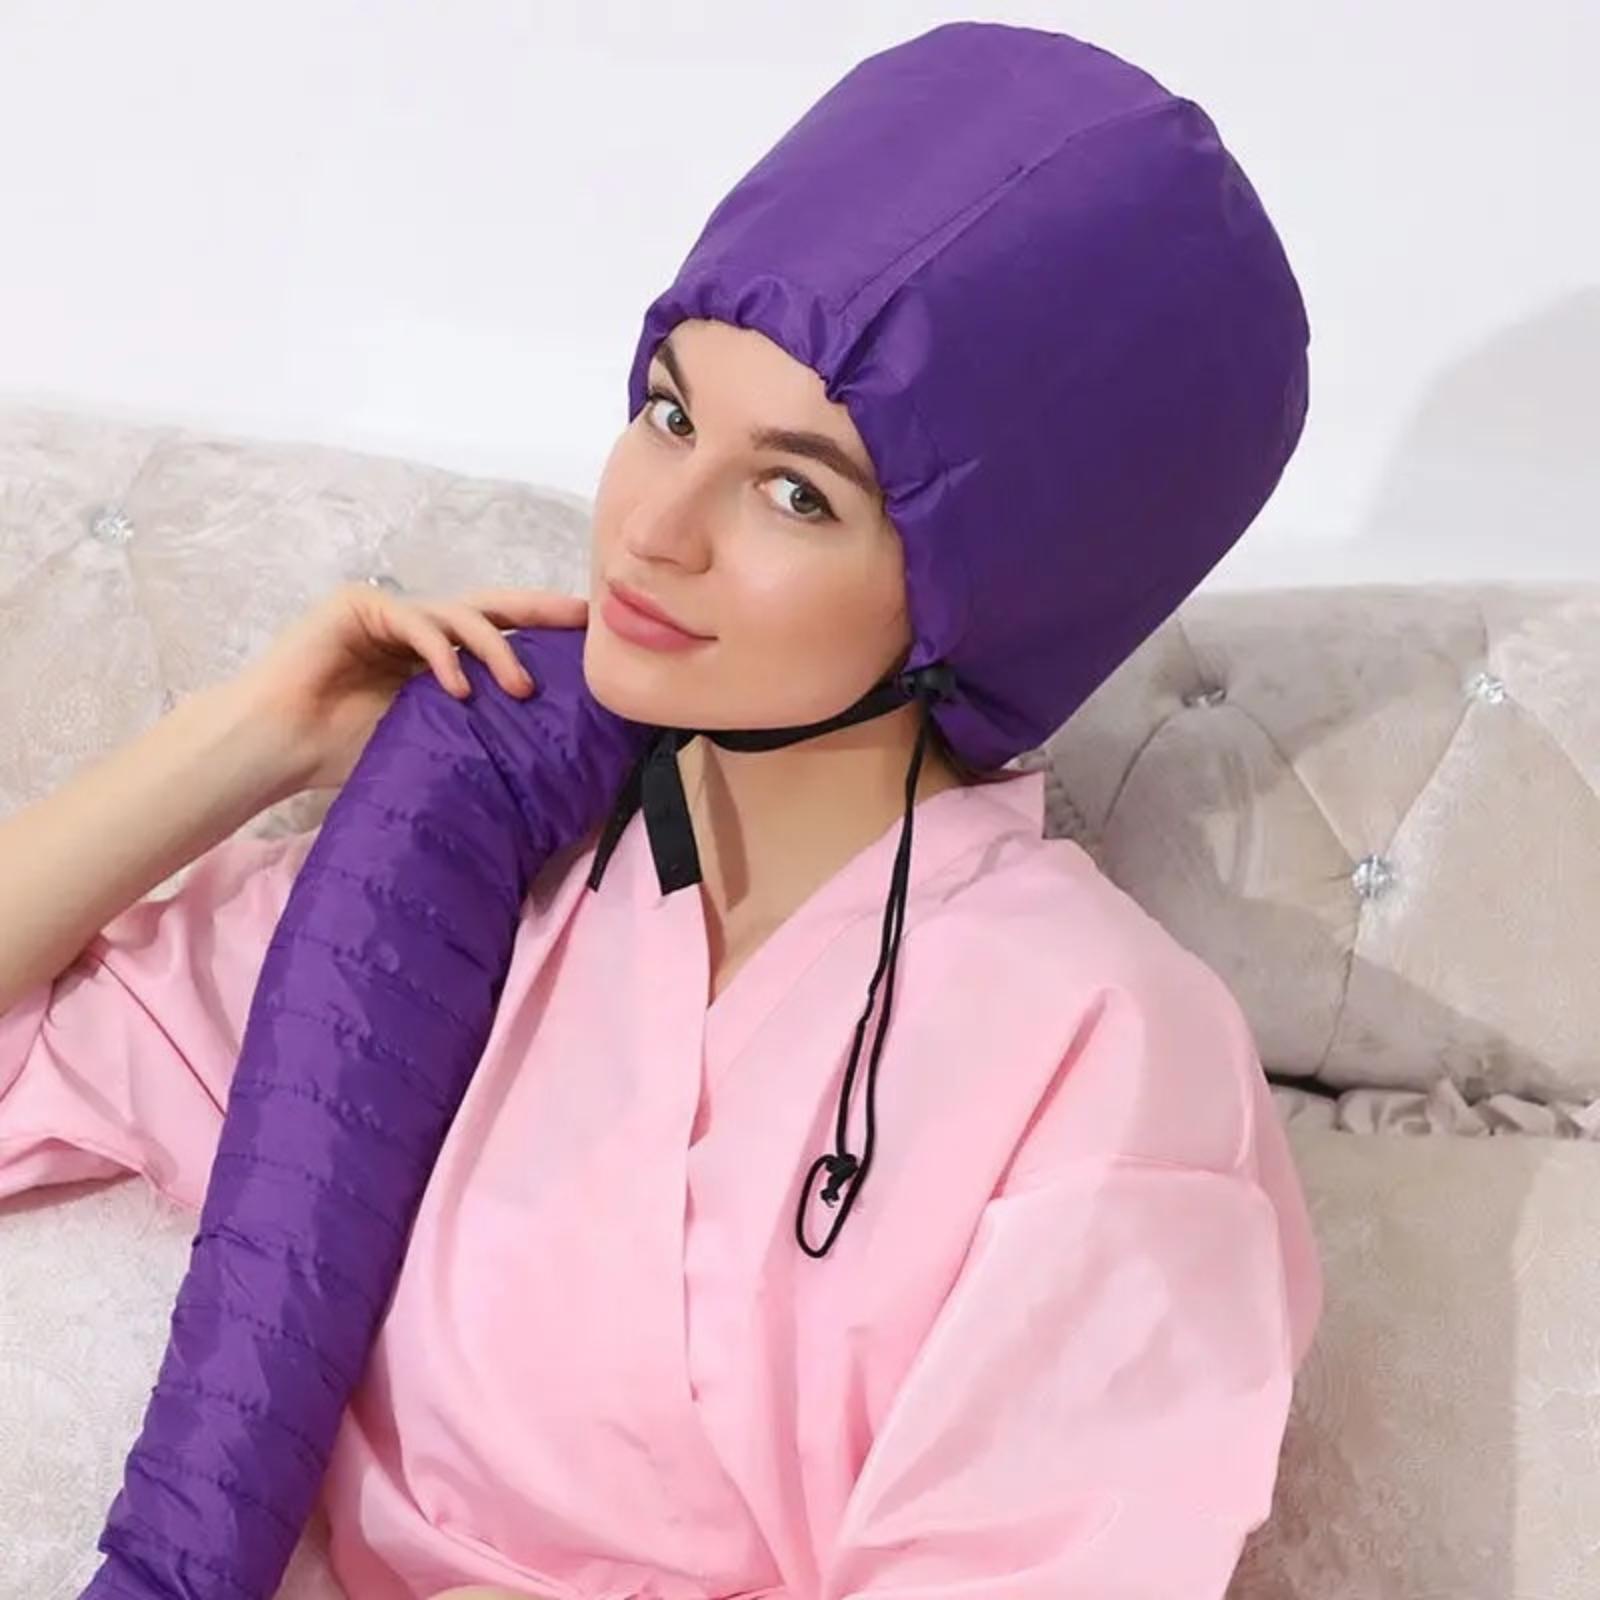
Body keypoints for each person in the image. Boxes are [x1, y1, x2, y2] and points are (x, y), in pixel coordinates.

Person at [2, 22, 1324, 1600]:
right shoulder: (457, 885)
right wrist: (251, 737)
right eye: (671, 413)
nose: (654, 530)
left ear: (991, 595)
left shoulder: (1105, 1052)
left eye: (796, 493)